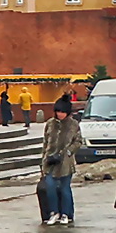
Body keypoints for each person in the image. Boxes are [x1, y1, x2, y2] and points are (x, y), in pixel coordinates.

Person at [40, 95, 82, 225]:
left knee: (64, 189)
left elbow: (78, 141)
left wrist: (69, 152)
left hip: (65, 163)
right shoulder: (50, 124)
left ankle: (66, 213)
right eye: (58, 111)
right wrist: (44, 160)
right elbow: (45, 143)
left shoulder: (73, 125)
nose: (60, 114)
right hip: (50, 162)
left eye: (63, 112)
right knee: (50, 188)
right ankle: (54, 212)